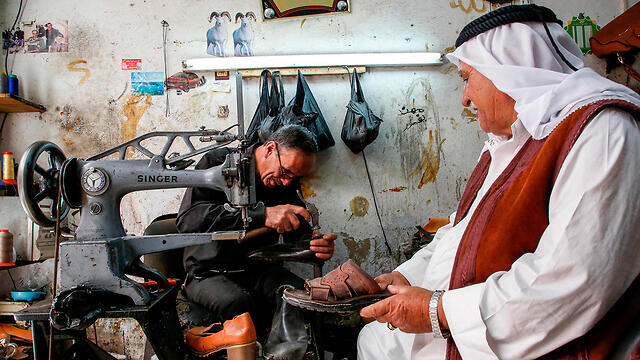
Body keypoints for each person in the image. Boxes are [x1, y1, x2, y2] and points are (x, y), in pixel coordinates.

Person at [357, 5, 640, 360]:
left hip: (544, 344)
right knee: (374, 339)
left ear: (506, 71)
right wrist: (403, 277)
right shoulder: (508, 142)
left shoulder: (603, 130)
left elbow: (574, 281)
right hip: (478, 324)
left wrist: (438, 311)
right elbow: (459, 233)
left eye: (466, 78)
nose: (465, 98)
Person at [177, 124, 337, 334]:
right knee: (237, 304)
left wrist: (315, 245)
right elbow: (189, 220)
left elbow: (298, 231)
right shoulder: (219, 163)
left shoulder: (285, 183)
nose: (287, 181)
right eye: (286, 171)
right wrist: (263, 215)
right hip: (208, 273)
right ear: (270, 149)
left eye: (294, 177)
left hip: (258, 269)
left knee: (300, 298)